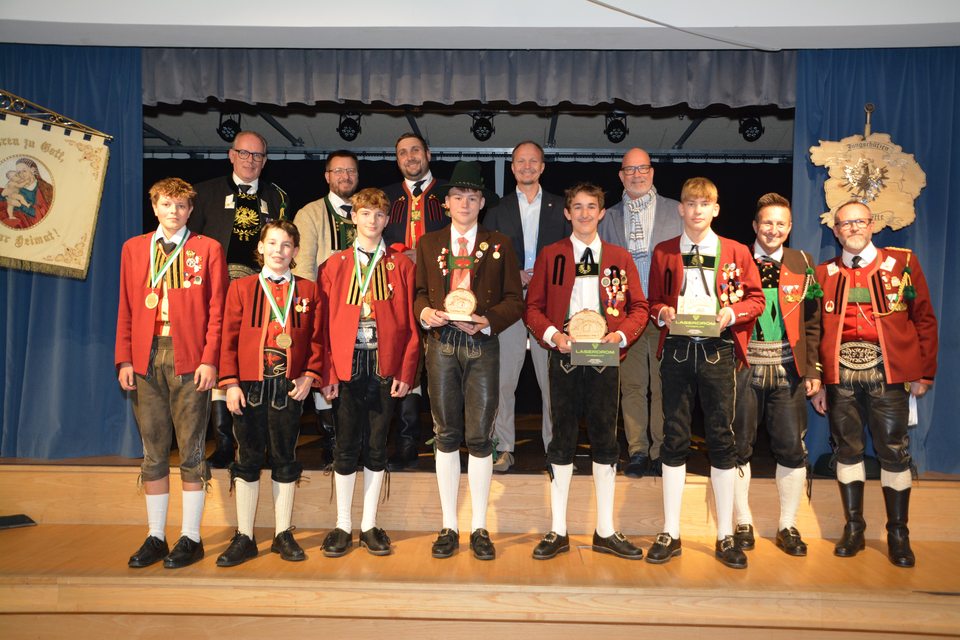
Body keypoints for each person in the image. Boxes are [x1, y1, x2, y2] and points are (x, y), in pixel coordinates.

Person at [524, 182, 649, 560]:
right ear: (567, 213)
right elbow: (533, 308)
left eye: (591, 207)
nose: (583, 213)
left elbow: (640, 308)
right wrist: (553, 336)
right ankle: (558, 530)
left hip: (603, 356)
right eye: (576, 207)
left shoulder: (619, 257)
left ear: (601, 212)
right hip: (564, 354)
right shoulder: (551, 255)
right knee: (561, 439)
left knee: (605, 440)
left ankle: (605, 531)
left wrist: (619, 336)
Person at [645, 177, 764, 569]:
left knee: (721, 438)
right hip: (677, 349)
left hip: (718, 349)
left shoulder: (736, 250)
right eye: (691, 204)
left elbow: (756, 300)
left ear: (716, 209)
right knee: (674, 437)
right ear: (680, 209)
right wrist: (662, 312)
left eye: (705, 204)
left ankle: (725, 533)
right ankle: (671, 531)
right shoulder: (664, 251)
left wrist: (732, 312)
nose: (697, 210)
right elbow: (653, 301)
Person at [811, 201, 938, 568]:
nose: (853, 228)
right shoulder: (824, 274)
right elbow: (815, 331)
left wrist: (924, 372)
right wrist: (819, 379)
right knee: (846, 450)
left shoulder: (902, 264)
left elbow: (924, 319)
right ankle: (854, 528)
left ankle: (898, 534)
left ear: (871, 225)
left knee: (893, 452)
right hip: (841, 378)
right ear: (835, 231)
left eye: (859, 222)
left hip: (889, 374)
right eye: (845, 223)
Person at [115, 177, 228, 569]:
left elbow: (217, 310)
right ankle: (156, 536)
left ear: (191, 210)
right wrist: (125, 358)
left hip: (189, 357)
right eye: (166, 204)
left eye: (181, 205)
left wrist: (210, 359)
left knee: (192, 450)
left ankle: (191, 537)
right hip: (145, 356)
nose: (173, 211)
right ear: (155, 206)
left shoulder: (207, 249)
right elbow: (126, 306)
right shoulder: (134, 248)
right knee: (153, 450)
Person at [414, 161, 523, 560]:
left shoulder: (500, 244)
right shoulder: (428, 243)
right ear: (446, 203)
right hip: (441, 345)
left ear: (481, 203)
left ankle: (479, 526)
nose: (464, 203)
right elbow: (419, 292)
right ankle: (449, 525)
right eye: (457, 196)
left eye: (472, 197)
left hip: (482, 345)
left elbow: (515, 300)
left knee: (479, 437)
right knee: (445, 434)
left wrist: (488, 321)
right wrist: (425, 313)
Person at [214, 220, 323, 567]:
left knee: (284, 456)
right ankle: (245, 535)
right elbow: (228, 339)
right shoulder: (241, 288)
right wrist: (230, 383)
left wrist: (309, 375)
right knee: (247, 457)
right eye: (272, 243)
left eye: (286, 245)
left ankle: (282, 534)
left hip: (288, 388)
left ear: (295, 251)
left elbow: (318, 338)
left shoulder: (308, 290)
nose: (279, 250)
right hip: (248, 387)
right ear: (260, 248)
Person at [318, 188, 420, 557]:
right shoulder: (334, 265)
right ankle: (343, 524)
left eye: (379, 215)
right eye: (365, 213)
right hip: (346, 366)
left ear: (387, 220)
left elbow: (411, 325)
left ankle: (369, 524)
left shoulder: (401, 265)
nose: (372, 221)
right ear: (354, 217)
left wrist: (406, 371)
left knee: (377, 445)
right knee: (345, 445)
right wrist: (327, 372)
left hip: (383, 363)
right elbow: (322, 326)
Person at [189, 130, 289, 469]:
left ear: (265, 160)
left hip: (261, 294)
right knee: (220, 356)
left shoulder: (277, 196)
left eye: (257, 155)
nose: (250, 160)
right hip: (216, 290)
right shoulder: (204, 193)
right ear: (232, 155)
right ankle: (223, 443)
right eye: (244, 153)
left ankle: (257, 443)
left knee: (255, 358)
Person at [732, 193, 822, 557]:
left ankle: (788, 525)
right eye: (767, 222)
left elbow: (813, 321)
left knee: (791, 448)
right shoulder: (735, 258)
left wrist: (813, 368)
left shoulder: (803, 262)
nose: (773, 229)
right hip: (743, 368)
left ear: (790, 227)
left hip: (789, 371)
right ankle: (742, 522)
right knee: (738, 446)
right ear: (755, 225)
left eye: (781, 224)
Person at [483, 141, 569, 472]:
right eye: (521, 161)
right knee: (504, 379)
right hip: (510, 303)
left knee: (552, 381)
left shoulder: (561, 207)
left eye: (533, 161)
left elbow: (570, 254)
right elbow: (487, 259)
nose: (527, 166)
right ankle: (503, 447)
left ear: (543, 167)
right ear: (512, 167)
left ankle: (555, 448)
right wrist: (513, 271)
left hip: (549, 306)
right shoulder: (497, 210)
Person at [598, 148, 682, 478]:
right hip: (625, 315)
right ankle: (637, 451)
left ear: (652, 172)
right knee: (631, 386)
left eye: (642, 168)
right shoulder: (607, 217)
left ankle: (661, 450)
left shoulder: (676, 210)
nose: (637, 175)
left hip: (665, 313)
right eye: (630, 170)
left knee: (663, 386)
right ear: (621, 176)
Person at [382, 133, 448, 471]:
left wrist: (422, 256)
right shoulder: (386, 197)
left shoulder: (450, 193)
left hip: (441, 295)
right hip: (394, 294)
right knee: (402, 364)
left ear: (428, 154)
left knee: (440, 370)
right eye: (402, 152)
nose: (410, 157)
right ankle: (406, 442)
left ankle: (443, 443)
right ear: (397, 160)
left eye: (415, 150)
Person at [291, 150, 361, 465]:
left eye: (351, 171)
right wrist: (310, 313)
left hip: (362, 314)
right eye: (338, 171)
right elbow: (303, 268)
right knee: (323, 371)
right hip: (326, 311)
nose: (345, 176)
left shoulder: (366, 210)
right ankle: (332, 442)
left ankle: (355, 442)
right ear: (327, 176)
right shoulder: (309, 214)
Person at [0, 158, 54, 229]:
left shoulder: (45, 189)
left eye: (24, 171)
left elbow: (43, 213)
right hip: (15, 218)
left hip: (31, 223)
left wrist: (20, 206)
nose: (21, 175)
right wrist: (2, 196)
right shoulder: (16, 186)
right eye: (19, 172)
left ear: (33, 170)